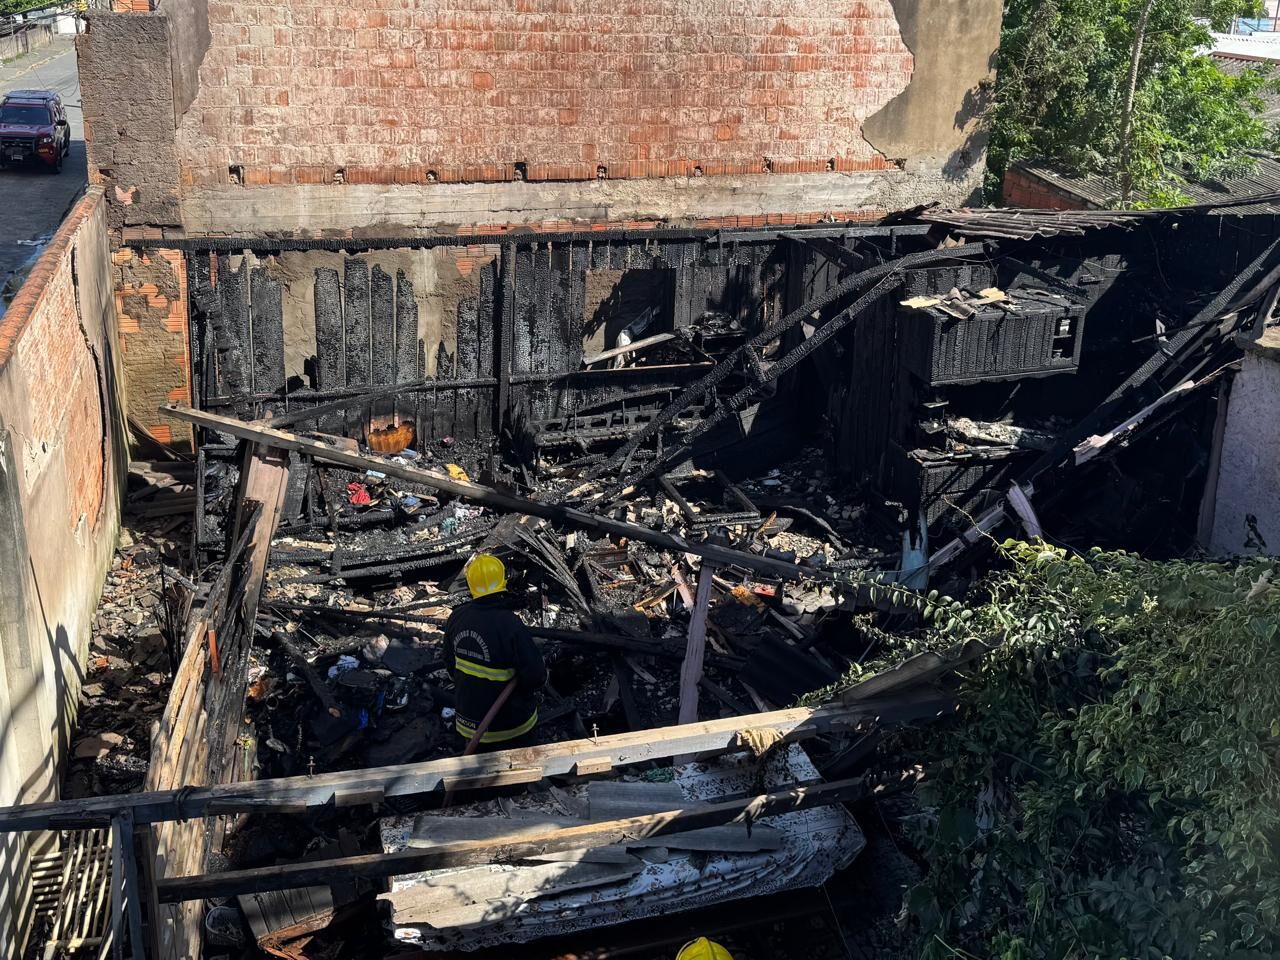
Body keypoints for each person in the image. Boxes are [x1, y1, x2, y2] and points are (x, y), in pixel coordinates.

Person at [443, 553, 546, 751]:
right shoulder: (510, 624)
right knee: (519, 775)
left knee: (480, 777)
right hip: (512, 728)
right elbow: (535, 677)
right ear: (502, 582)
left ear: (471, 586)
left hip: (468, 724)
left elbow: (450, 667)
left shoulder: (457, 617)